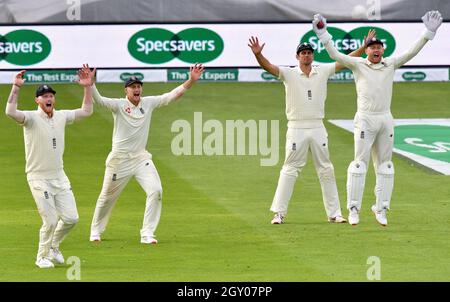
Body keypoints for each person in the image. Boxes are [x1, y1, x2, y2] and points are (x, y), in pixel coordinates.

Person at [312, 11, 443, 226]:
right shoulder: (358, 65)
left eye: (379, 47)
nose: (376, 49)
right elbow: (336, 55)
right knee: (358, 165)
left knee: (386, 166)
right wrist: (323, 35)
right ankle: (354, 209)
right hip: (365, 119)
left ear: (383, 50)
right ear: (368, 50)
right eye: (372, 47)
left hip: (385, 119)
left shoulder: (390, 64)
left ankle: (381, 208)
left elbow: (411, 53)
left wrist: (427, 33)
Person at [248, 29, 375, 225]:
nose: (306, 55)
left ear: (312, 55)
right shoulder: (289, 73)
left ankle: (334, 214)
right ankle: (279, 214)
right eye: (303, 53)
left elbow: (345, 61)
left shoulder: (322, 70)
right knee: (290, 169)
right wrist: (258, 54)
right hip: (296, 127)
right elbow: (269, 67)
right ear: (297, 56)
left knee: (326, 169)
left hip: (317, 126)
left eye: (309, 52)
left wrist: (363, 47)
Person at [86, 64, 204, 244]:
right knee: (107, 197)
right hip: (120, 159)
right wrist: (90, 84)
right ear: (126, 90)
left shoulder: (148, 103)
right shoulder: (119, 105)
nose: (137, 89)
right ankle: (95, 230)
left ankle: (147, 233)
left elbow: (170, 97)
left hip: (141, 158)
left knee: (156, 191)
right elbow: (100, 101)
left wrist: (191, 81)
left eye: (138, 86)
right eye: (133, 86)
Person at [5, 68, 94, 268]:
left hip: (59, 176)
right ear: (37, 100)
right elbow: (10, 112)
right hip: (38, 177)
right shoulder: (30, 119)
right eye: (45, 96)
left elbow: (87, 111)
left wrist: (88, 87)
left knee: (71, 218)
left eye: (51, 96)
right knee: (51, 220)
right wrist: (16, 87)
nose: (49, 99)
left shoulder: (61, 116)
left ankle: (54, 245)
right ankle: (41, 256)